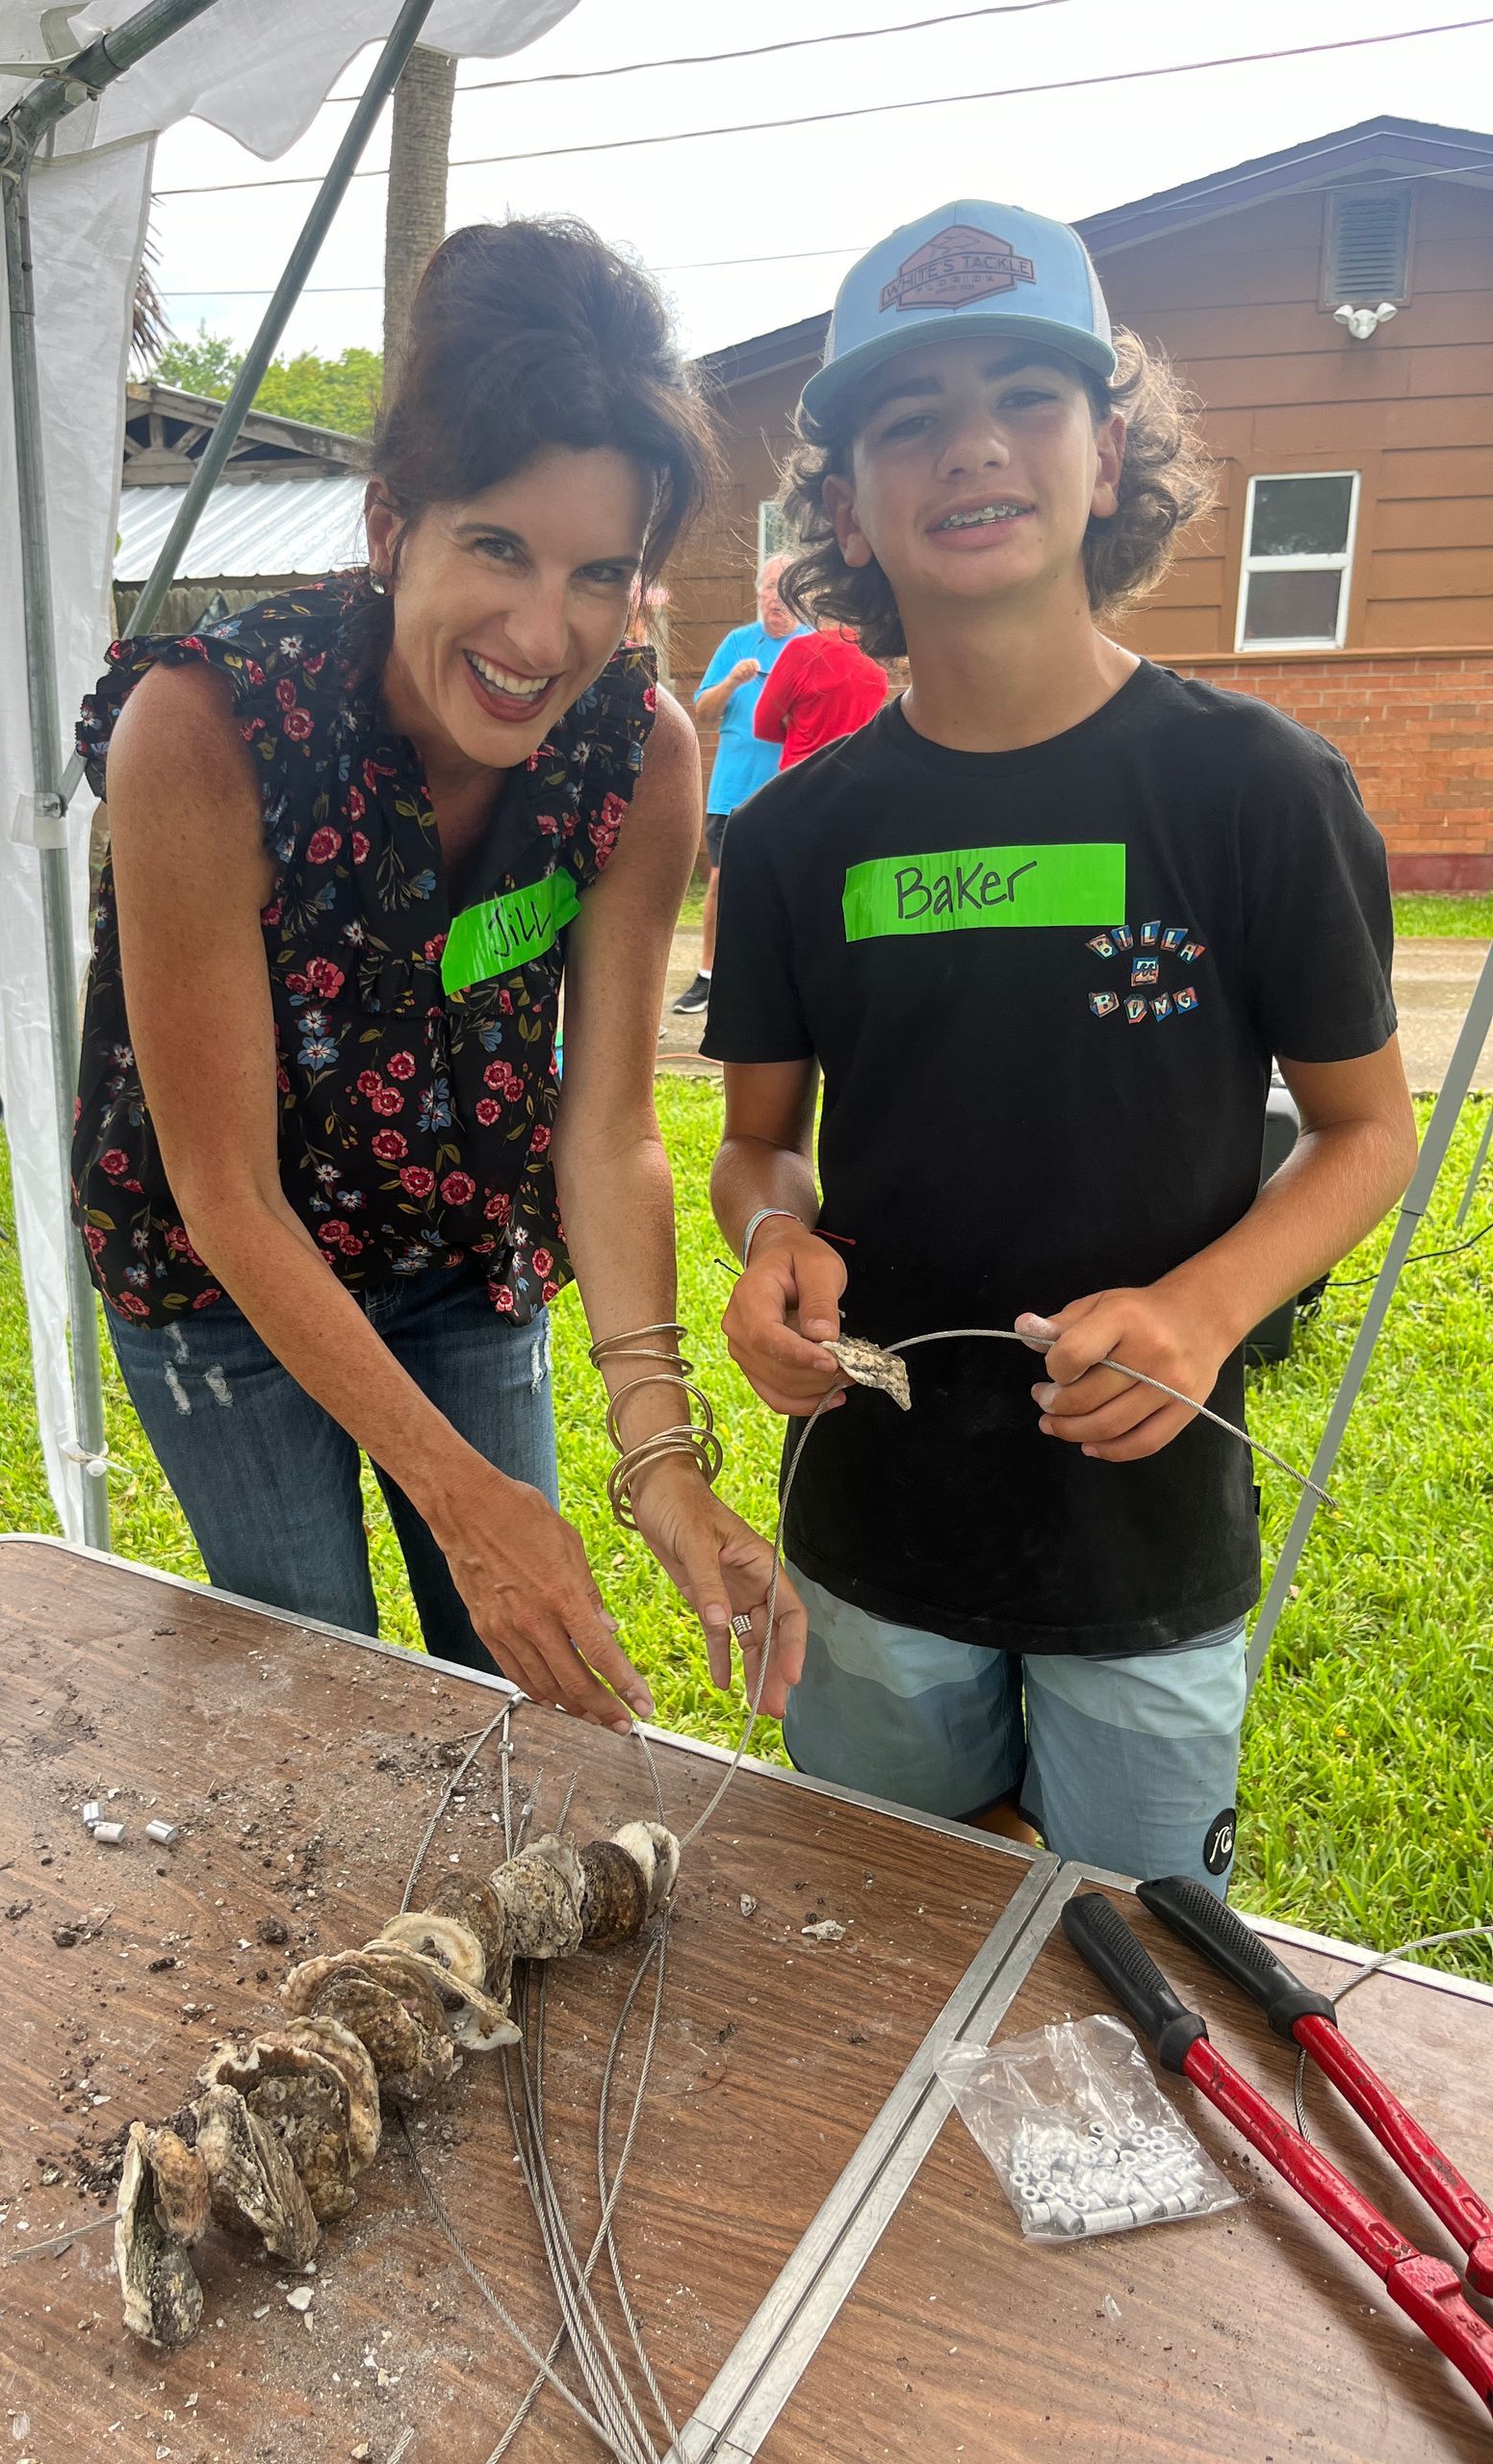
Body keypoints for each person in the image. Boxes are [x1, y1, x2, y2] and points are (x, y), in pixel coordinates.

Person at [704, 199, 1417, 1895]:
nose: (974, 446)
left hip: (1145, 1537)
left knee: (1145, 1968)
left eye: (1030, 396)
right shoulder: (800, 835)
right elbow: (755, 1146)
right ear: (850, 509)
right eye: (908, 419)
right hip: (873, 1526)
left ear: (1112, 458)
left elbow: (1365, 1132)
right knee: (880, 1934)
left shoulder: (1257, 791)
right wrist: (766, 1243)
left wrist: (1204, 1308)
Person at [73, 218, 803, 1736]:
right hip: (223, 1276)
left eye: (604, 574)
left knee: (530, 1697)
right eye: (499, 548)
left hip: (466, 1242)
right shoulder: (207, 734)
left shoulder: (642, 752)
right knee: (326, 1687)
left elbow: (604, 1135)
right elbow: (223, 1187)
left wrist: (660, 1456)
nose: (546, 636)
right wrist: (464, 1503)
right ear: (391, 523)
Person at [670, 556, 805, 1016]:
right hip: (733, 791)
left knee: (790, 887)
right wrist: (731, 681)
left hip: (791, 792)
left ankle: (784, 977)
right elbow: (704, 711)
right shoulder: (737, 643)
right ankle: (709, 976)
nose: (776, 599)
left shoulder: (811, 650)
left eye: (786, 590)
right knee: (722, 883)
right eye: (769, 588)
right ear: (758, 592)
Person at [753, 617, 888, 769]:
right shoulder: (876, 659)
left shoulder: (802, 649)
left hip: (803, 774)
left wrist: (797, 736)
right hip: (854, 775)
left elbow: (763, 723)